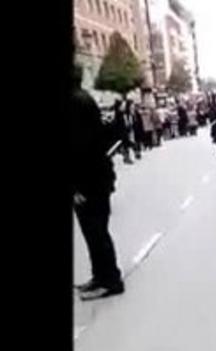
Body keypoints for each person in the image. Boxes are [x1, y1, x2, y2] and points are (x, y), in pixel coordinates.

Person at [71, 64, 125, 301]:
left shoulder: (76, 102)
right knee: (93, 233)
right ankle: (99, 276)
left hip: (90, 182)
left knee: (96, 232)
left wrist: (77, 186)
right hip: (96, 178)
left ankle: (111, 280)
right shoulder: (82, 99)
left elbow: (81, 149)